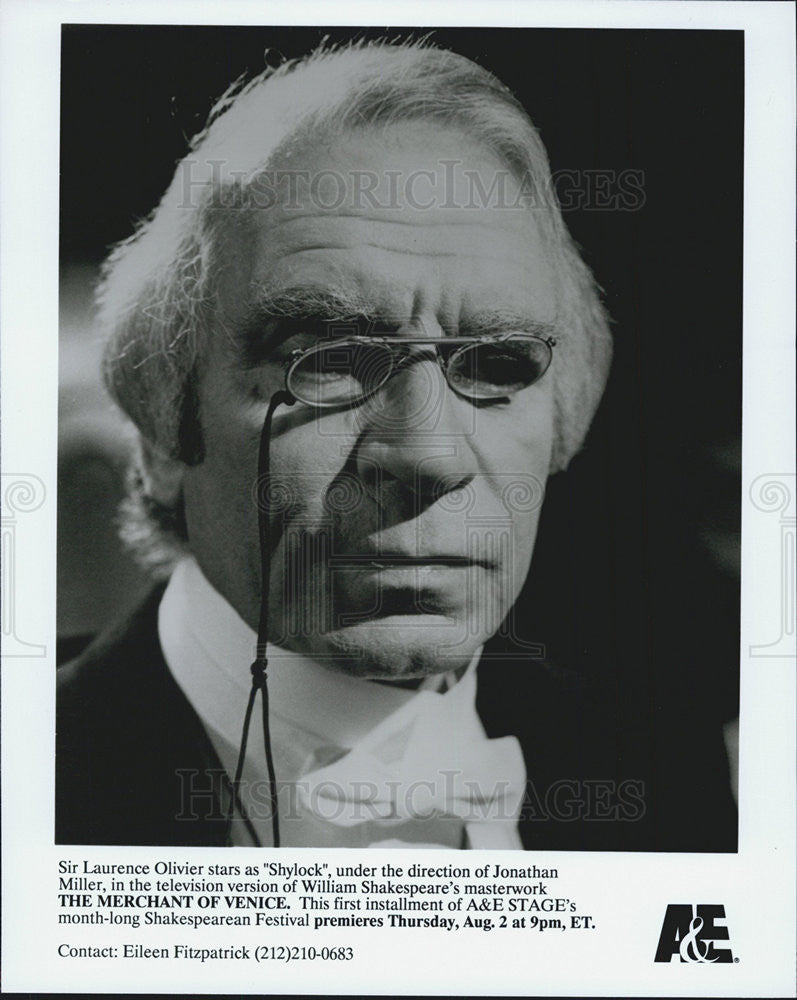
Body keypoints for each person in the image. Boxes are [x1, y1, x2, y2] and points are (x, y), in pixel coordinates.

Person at [56, 39, 737, 850]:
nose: (429, 458)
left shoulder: (673, 770)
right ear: (165, 425)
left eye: (494, 364)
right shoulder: (32, 773)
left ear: (566, 422)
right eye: (330, 361)